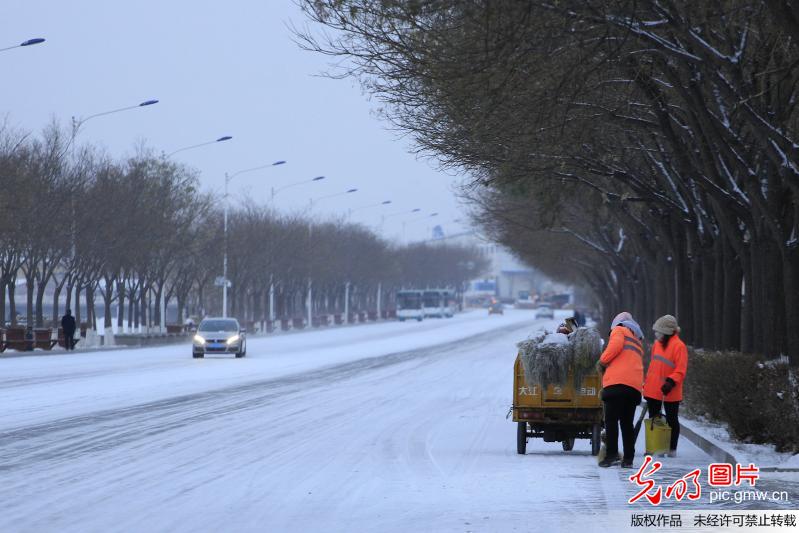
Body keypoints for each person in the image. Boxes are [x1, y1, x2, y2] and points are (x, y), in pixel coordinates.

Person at [597, 311, 644, 468]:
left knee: (611, 421)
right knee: (626, 423)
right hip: (633, 387)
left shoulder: (619, 330)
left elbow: (615, 347)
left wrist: (602, 361)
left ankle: (611, 455)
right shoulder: (637, 340)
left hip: (617, 384)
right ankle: (628, 459)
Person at [643, 314, 688, 457]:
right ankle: (655, 447)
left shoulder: (679, 346)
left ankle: (671, 448)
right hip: (653, 389)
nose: (657, 334)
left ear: (667, 332)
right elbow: (653, 366)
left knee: (672, 419)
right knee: (654, 418)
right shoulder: (657, 345)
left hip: (671, 390)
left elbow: (681, 369)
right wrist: (647, 385)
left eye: (659, 332)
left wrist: (671, 381)